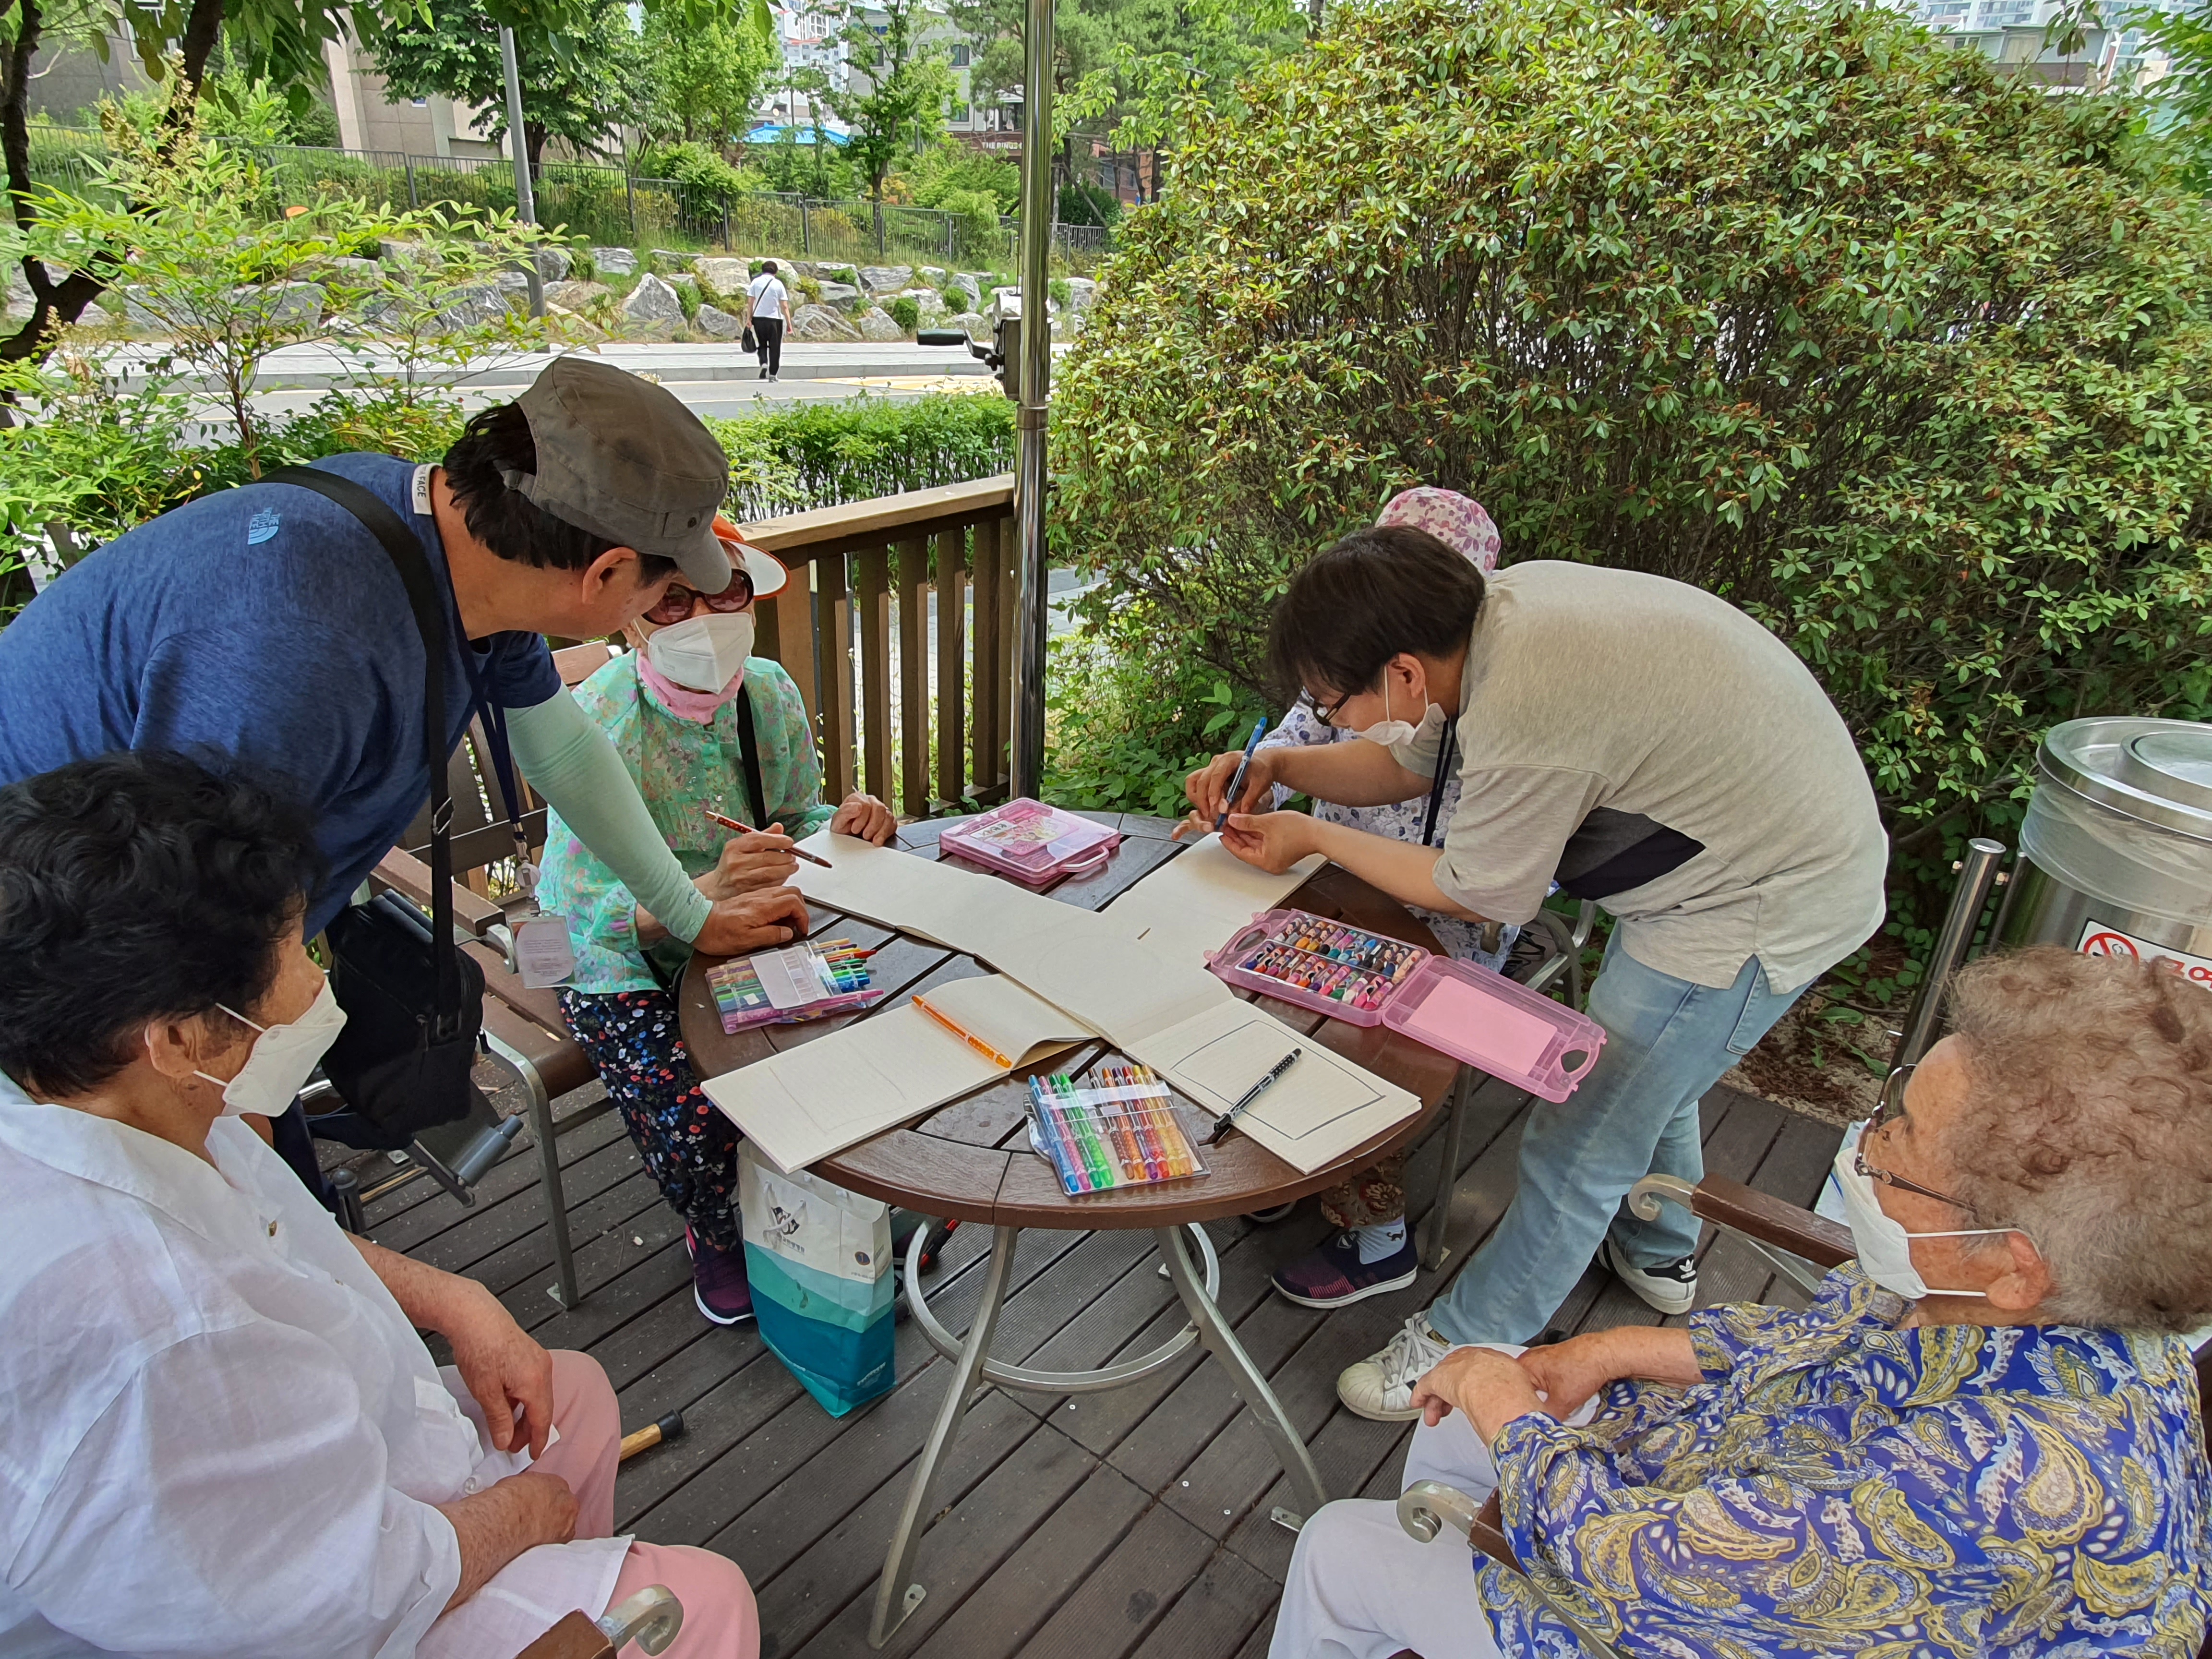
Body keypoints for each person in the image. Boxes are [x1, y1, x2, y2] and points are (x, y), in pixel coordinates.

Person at [0, 751, 760, 1659]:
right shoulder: (158, 1336)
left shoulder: (118, 1099)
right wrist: (526, 1514)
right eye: (295, 957)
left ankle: (564, 1584)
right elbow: (337, 1595)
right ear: (175, 1038)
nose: (317, 985)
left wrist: (453, 1298)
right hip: (336, 1607)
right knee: (707, 1603)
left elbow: (265, 1239)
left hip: (327, 1479)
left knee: (577, 1396)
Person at [0, 356, 807, 1199]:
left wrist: (691, 915)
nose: (667, 607)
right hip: (79, 998)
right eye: (665, 588)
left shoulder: (455, 552)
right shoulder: (301, 646)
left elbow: (560, 750)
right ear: (604, 574)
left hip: (190, 963)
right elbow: (182, 929)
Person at [1271, 946, 2212, 1659]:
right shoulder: (1979, 1288)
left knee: (1338, 1547)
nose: (1868, 1146)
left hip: (1693, 1600)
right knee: (1464, 1410)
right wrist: (1607, 1351)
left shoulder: (1995, 1488)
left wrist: (1506, 1410)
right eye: (1892, 1104)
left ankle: (1422, 1587)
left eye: (1900, 1142)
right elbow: (1816, 1338)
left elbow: (1637, 1571)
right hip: (1754, 1495)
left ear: (2016, 1264)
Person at [1186, 527, 1887, 1419]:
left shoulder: (1529, 706)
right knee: (1654, 1073)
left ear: (1402, 673)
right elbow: (1404, 764)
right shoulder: (1493, 620)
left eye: (1332, 705)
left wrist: (1312, 834)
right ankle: (1658, 1244)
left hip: (1751, 907)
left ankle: (1469, 1348)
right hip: (1741, 858)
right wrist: (1279, 765)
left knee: (1581, 1143)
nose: (1336, 723)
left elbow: (1479, 889)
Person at [537, 527, 897, 1326]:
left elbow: (794, 818)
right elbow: (574, 905)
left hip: (741, 924)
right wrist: (698, 896)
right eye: (672, 600)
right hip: (611, 952)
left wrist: (848, 819)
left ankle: (821, 1209)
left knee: (848, 1035)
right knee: (697, 1108)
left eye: (724, 592)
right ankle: (716, 1227)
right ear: (633, 621)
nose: (703, 618)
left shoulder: (766, 692)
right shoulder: (599, 720)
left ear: (751, 601)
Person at [1257, 488, 1518, 1311]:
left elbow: (1490, 887)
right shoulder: (1348, 663)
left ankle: (1378, 1238)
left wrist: (1312, 833)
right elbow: (1295, 741)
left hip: (1448, 924)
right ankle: (1288, 1156)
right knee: (1251, 979)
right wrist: (1258, 774)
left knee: (1358, 1032)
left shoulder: (1501, 709)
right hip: (1329, 887)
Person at [745, 261, 789, 383]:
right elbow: (784, 306)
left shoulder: (756, 282)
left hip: (759, 319)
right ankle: (773, 374)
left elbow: (750, 303)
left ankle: (764, 362)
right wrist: (789, 323)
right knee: (775, 348)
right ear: (776, 272)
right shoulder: (778, 284)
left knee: (762, 344)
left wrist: (749, 318)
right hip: (775, 320)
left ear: (763, 270)